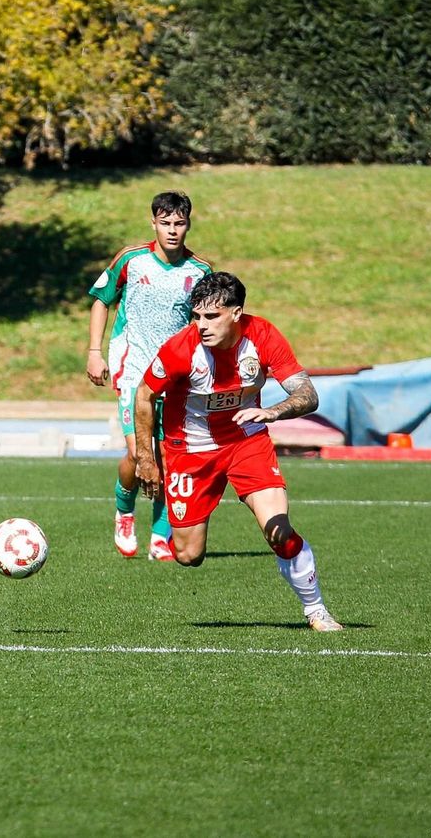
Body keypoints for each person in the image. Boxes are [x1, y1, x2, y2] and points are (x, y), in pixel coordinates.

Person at [134, 271, 342, 632]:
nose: (201, 325)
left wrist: (273, 411)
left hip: (247, 442)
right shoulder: (180, 349)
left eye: (211, 316)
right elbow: (144, 395)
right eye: (196, 316)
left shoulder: (263, 336)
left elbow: (307, 394)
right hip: (190, 451)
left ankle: (317, 610)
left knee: (279, 530)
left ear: (236, 312)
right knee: (187, 554)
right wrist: (147, 459)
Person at [87, 191, 211, 561]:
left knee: (168, 456)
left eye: (179, 223)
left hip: (174, 376)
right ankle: (124, 511)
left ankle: (161, 535)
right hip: (131, 367)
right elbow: (100, 300)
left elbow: (207, 325)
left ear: (188, 224)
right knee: (137, 452)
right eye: (165, 223)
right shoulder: (131, 259)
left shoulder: (200, 272)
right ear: (153, 222)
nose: (172, 231)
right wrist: (95, 352)